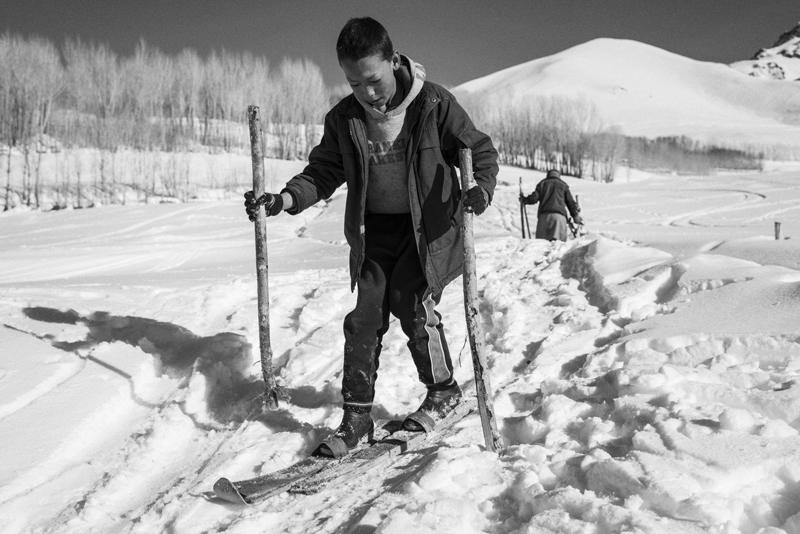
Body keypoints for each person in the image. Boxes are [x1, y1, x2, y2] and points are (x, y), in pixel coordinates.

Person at [244, 17, 498, 458]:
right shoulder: (345, 118)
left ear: (394, 61)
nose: (367, 92)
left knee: (409, 303)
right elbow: (323, 171)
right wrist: (282, 200)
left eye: (374, 80)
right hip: (374, 232)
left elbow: (478, 151)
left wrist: (481, 188)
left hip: (426, 232)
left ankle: (443, 390)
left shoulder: (434, 104)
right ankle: (357, 418)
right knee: (363, 319)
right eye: (355, 83)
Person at [520, 169, 582, 241]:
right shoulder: (563, 185)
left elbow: (533, 199)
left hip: (544, 218)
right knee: (558, 245)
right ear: (559, 176)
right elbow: (570, 202)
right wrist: (575, 216)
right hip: (559, 218)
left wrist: (524, 200)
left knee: (542, 244)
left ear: (548, 175)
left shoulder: (542, 184)